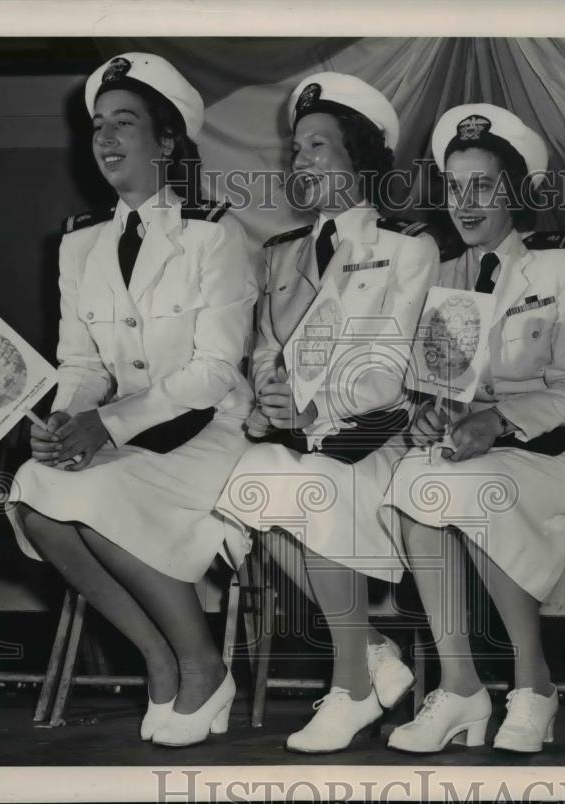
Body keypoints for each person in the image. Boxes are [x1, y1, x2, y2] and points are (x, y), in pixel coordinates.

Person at [5, 53, 257, 748]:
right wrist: (64, 419)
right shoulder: (80, 241)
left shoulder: (215, 232)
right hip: (119, 427)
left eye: (126, 123)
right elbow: (81, 361)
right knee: (35, 496)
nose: (107, 139)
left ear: (167, 142)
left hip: (203, 429)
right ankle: (158, 656)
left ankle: (204, 662)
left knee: (103, 496)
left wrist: (105, 424)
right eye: (97, 128)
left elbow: (212, 371)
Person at [214, 72, 440, 753]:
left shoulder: (407, 247)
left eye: (319, 146)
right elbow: (262, 351)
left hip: (376, 438)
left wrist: (315, 400)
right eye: (297, 148)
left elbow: (395, 364)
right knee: (248, 481)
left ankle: (353, 688)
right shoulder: (280, 254)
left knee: (310, 490)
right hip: (301, 434)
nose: (301, 161)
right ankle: (371, 652)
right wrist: (271, 392)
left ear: (359, 162)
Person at [380, 104, 565, 753]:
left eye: (483, 186)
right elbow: (433, 383)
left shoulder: (562, 267)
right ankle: (460, 688)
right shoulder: (444, 276)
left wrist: (496, 419)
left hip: (558, 449)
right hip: (473, 454)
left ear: (516, 192)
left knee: (467, 483)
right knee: (416, 477)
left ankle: (533, 684)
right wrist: (429, 410)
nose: (466, 202)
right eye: (455, 188)